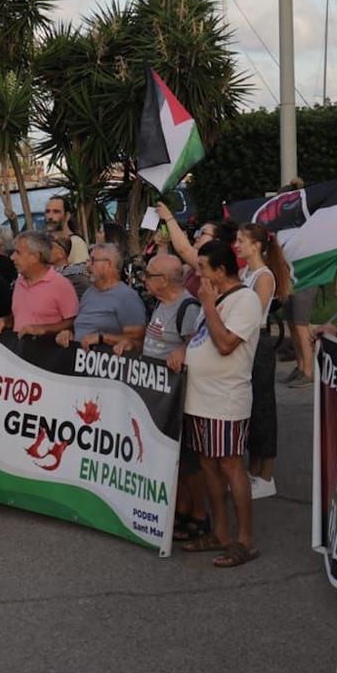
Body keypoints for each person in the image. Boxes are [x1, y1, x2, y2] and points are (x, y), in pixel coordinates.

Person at [181, 240, 263, 568]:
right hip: (200, 398)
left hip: (225, 399)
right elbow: (203, 337)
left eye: (203, 268)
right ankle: (220, 531)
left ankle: (244, 540)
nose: (197, 273)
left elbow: (227, 343)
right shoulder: (212, 297)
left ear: (221, 270)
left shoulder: (245, 300)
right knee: (208, 464)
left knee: (230, 465)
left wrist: (210, 306)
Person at [134, 253, 208, 543]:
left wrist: (184, 351)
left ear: (163, 280)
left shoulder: (187, 307)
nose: (145, 280)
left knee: (188, 459)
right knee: (172, 457)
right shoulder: (160, 304)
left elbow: (200, 344)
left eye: (149, 275)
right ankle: (181, 509)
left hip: (180, 396)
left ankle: (199, 516)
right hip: (158, 393)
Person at [6, 231, 76, 347]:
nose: (12, 257)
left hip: (45, 356)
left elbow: (72, 321)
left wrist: (44, 329)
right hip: (18, 354)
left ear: (35, 257)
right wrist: (5, 321)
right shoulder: (19, 282)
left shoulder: (61, 285)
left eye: (18, 253)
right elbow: (23, 314)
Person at [73, 241, 146, 351]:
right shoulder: (89, 293)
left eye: (93, 261)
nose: (88, 265)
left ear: (110, 264)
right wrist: (68, 334)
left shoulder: (126, 297)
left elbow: (137, 341)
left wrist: (102, 338)